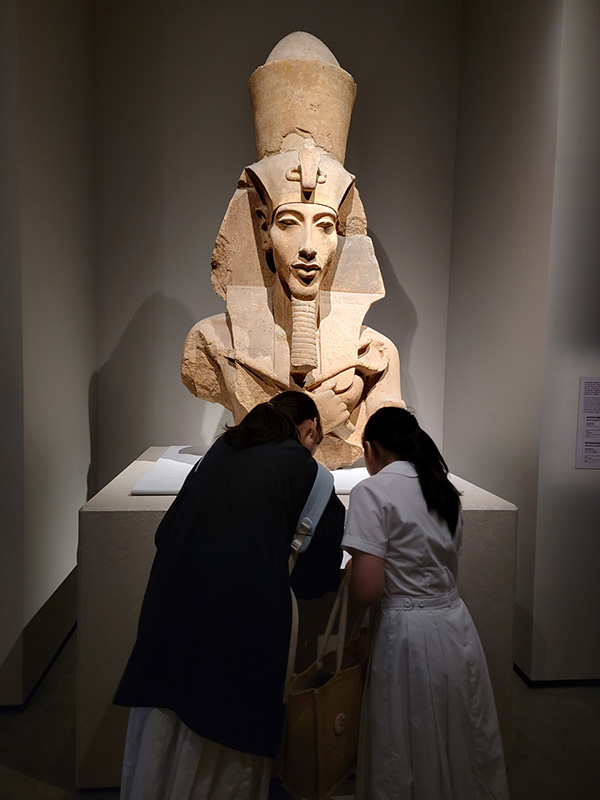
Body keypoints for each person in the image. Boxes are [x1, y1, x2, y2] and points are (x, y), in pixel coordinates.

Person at [114, 391, 344, 800]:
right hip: (245, 620)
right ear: (310, 428)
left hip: (172, 603)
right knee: (225, 731)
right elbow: (314, 581)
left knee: (163, 722)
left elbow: (165, 532)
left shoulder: (220, 450)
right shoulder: (314, 476)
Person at [342, 406, 509, 800]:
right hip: (455, 623)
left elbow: (367, 591)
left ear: (371, 449)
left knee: (404, 737)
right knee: (460, 731)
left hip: (406, 634)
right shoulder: (443, 488)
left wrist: (353, 569)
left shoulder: (371, 491)